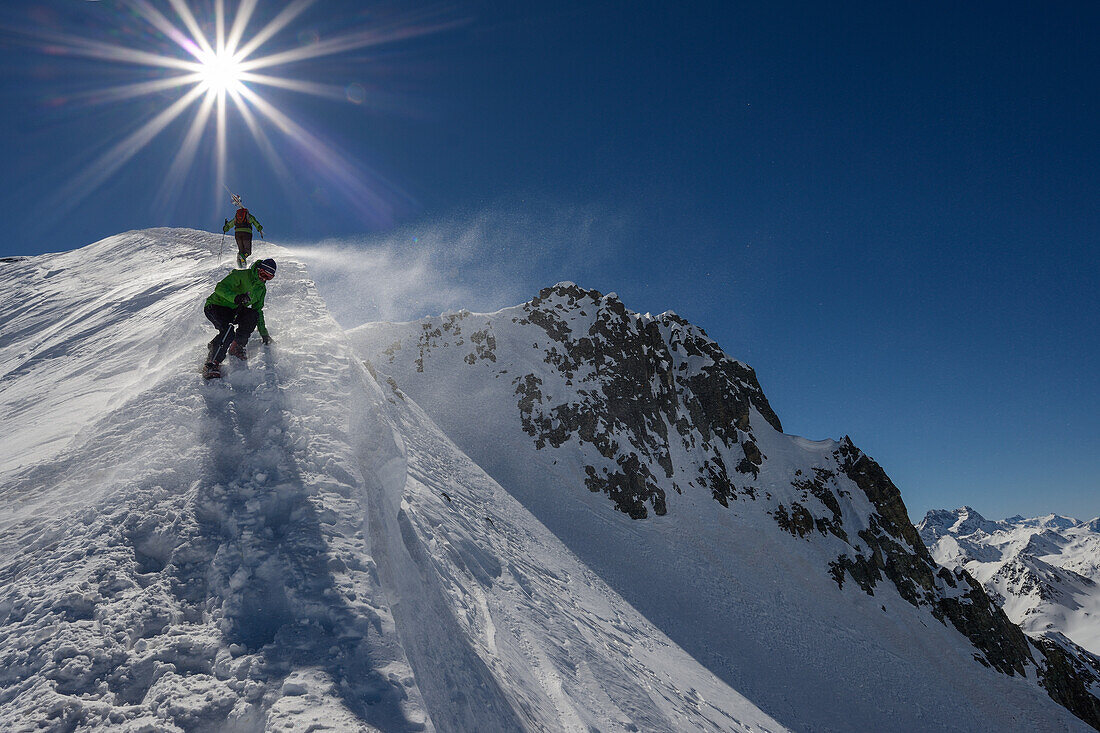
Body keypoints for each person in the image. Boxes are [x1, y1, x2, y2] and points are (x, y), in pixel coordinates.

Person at [202, 258, 276, 379]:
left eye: (269, 277)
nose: (264, 279)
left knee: (252, 315)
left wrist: (264, 334)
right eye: (263, 274)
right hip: (216, 306)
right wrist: (236, 297)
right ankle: (212, 362)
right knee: (228, 332)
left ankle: (237, 346)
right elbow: (219, 288)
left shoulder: (261, 289)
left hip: (234, 310)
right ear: (258, 270)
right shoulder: (241, 275)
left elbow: (258, 311)